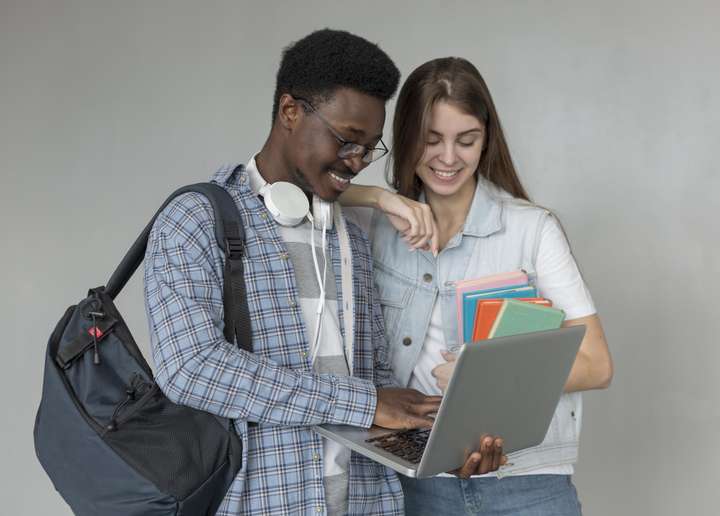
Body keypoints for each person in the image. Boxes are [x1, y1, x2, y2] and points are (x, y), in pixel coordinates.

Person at [144, 32, 501, 516]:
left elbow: (376, 381)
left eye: (369, 148)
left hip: (368, 504)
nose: (356, 162)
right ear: (290, 112)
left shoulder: (349, 234)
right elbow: (191, 370)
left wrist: (440, 445)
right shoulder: (194, 220)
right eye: (347, 140)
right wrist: (363, 403)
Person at [341, 57, 614, 515]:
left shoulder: (533, 229)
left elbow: (597, 365)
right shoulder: (371, 225)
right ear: (406, 137)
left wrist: (480, 382)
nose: (449, 159)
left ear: (486, 139)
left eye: (466, 141)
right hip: (411, 484)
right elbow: (289, 187)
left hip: (527, 485)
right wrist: (378, 195)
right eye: (431, 140)